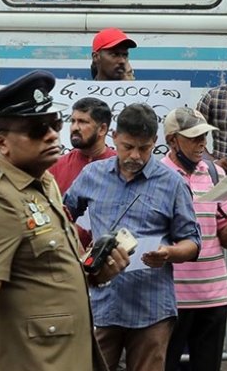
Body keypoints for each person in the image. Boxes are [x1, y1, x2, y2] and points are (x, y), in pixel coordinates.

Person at [0, 71, 127, 371]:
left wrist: (95, 273)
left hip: (67, 357)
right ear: (2, 143)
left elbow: (44, 273)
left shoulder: (43, 181)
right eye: (37, 130)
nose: (51, 135)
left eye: (54, 124)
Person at [64, 103, 201, 371]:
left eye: (144, 148)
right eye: (128, 147)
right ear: (114, 137)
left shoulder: (172, 183)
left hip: (152, 308)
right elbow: (62, 216)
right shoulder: (92, 175)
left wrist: (168, 253)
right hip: (102, 303)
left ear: (155, 142)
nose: (135, 155)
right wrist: (80, 252)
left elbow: (192, 243)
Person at [161, 108, 227, 371]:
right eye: (194, 137)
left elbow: (226, 239)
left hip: (214, 297)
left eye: (204, 136)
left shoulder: (215, 174)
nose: (202, 143)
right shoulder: (158, 175)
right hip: (171, 298)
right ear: (172, 140)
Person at [49, 97, 116, 194]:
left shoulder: (121, 167)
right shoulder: (55, 167)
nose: (74, 128)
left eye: (83, 122)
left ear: (102, 129)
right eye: (73, 121)